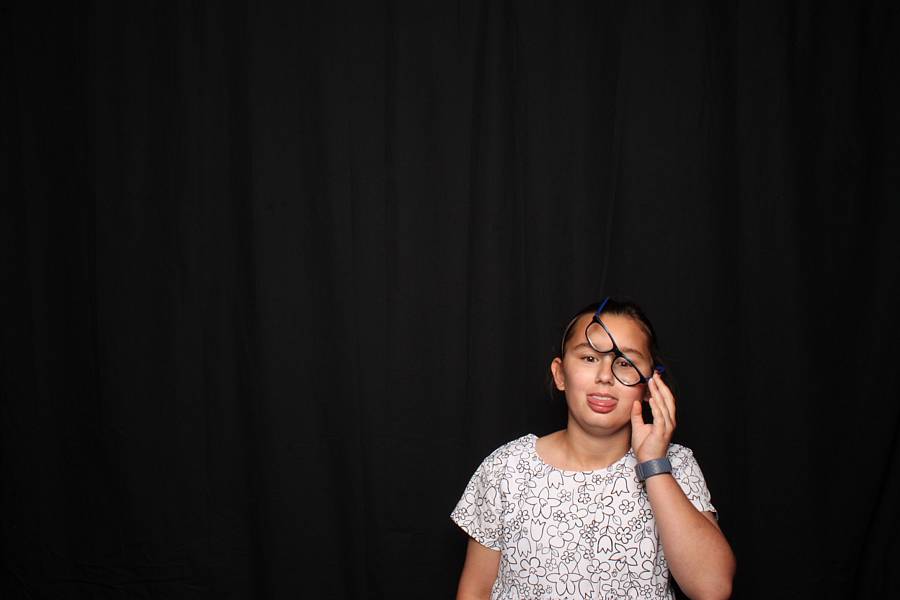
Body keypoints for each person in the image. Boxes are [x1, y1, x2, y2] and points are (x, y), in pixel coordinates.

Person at [451, 297, 735, 600]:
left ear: (650, 385)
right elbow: (475, 591)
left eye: (625, 363)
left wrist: (654, 465)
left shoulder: (676, 464)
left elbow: (712, 588)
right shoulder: (507, 467)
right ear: (560, 374)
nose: (605, 376)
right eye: (589, 358)